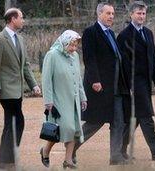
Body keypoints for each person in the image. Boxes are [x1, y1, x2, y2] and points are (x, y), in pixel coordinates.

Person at [72, 2, 129, 165]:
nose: (111, 16)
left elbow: (117, 59)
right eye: (108, 13)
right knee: (94, 122)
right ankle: (72, 147)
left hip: (116, 87)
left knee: (119, 122)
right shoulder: (91, 32)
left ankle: (115, 156)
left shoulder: (111, 33)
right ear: (99, 14)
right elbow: (89, 58)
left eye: (112, 13)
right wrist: (95, 80)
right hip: (100, 87)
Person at [0, 8, 41, 169]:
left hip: (17, 90)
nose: (23, 20)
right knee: (17, 121)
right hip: (5, 90)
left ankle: (5, 160)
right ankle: (6, 158)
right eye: (21, 18)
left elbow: (25, 66)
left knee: (11, 123)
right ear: (12, 19)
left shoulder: (20, 39)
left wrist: (34, 84)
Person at [117, 1, 155, 161]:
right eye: (138, 13)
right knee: (146, 116)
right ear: (131, 14)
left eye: (143, 13)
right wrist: (129, 86)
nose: (141, 16)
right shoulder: (124, 36)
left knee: (136, 119)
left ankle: (119, 150)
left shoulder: (148, 33)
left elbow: (153, 59)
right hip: (134, 84)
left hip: (146, 83)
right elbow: (123, 65)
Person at [40, 30, 87, 169]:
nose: (73, 49)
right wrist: (48, 101)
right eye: (71, 45)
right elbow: (46, 80)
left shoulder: (75, 56)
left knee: (73, 129)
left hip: (73, 99)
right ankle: (45, 151)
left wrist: (83, 97)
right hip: (58, 99)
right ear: (64, 42)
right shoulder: (52, 55)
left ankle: (68, 160)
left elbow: (78, 79)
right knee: (62, 129)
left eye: (75, 45)